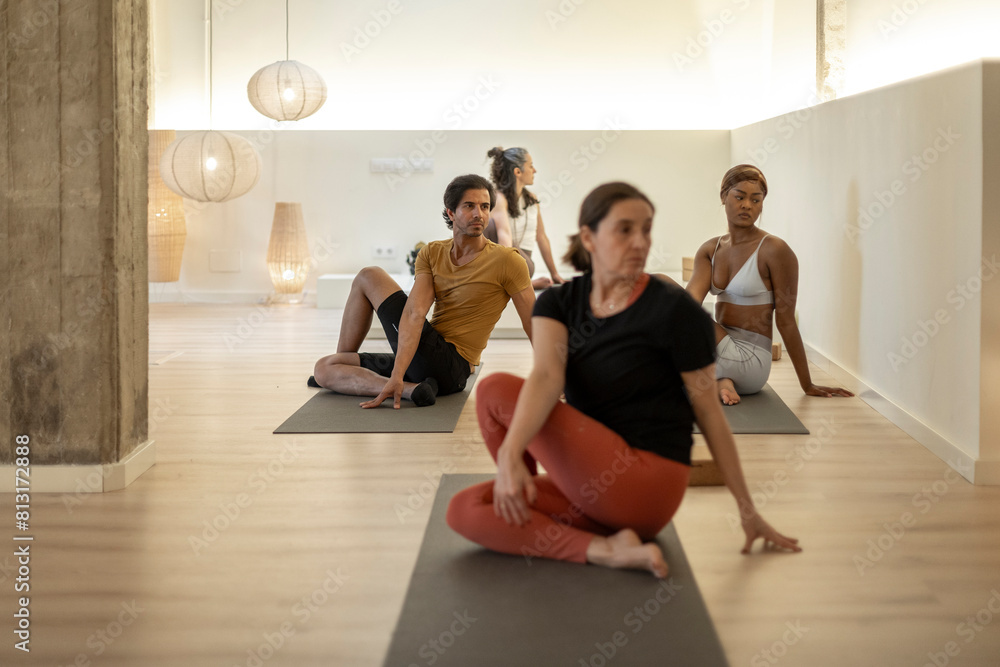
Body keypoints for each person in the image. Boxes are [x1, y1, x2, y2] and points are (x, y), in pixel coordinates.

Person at [446, 182, 801, 578]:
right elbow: (547, 378)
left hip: (648, 483)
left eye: (645, 230)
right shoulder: (559, 304)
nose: (639, 242)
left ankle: (536, 505)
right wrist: (512, 457)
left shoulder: (676, 310)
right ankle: (604, 548)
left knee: (493, 389)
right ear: (588, 238)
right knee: (464, 509)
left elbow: (709, 415)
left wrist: (748, 511)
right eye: (624, 230)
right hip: (593, 483)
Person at [311, 174, 535, 408]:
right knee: (325, 367)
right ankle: (411, 389)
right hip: (424, 358)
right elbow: (416, 312)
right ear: (450, 213)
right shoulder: (432, 252)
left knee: (369, 275)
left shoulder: (507, 260)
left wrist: (551, 377)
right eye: (469, 206)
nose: (479, 214)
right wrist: (399, 374)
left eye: (485, 207)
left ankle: (388, 379)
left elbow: (532, 321)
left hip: (452, 368)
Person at [686, 164, 854, 405]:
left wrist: (807, 384)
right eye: (740, 197)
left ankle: (714, 378)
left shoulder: (775, 250)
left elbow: (786, 321)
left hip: (750, 360)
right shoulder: (710, 250)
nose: (747, 205)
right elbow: (687, 307)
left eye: (756, 200)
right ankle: (722, 382)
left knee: (664, 290)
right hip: (718, 351)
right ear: (723, 196)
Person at [484, 146, 566, 290]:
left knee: (491, 227)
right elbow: (504, 238)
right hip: (506, 259)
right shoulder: (499, 198)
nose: (535, 170)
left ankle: (513, 283)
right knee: (486, 224)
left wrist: (554, 274)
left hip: (523, 264)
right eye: (531, 166)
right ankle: (523, 284)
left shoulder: (532, 199)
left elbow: (541, 237)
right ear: (517, 172)